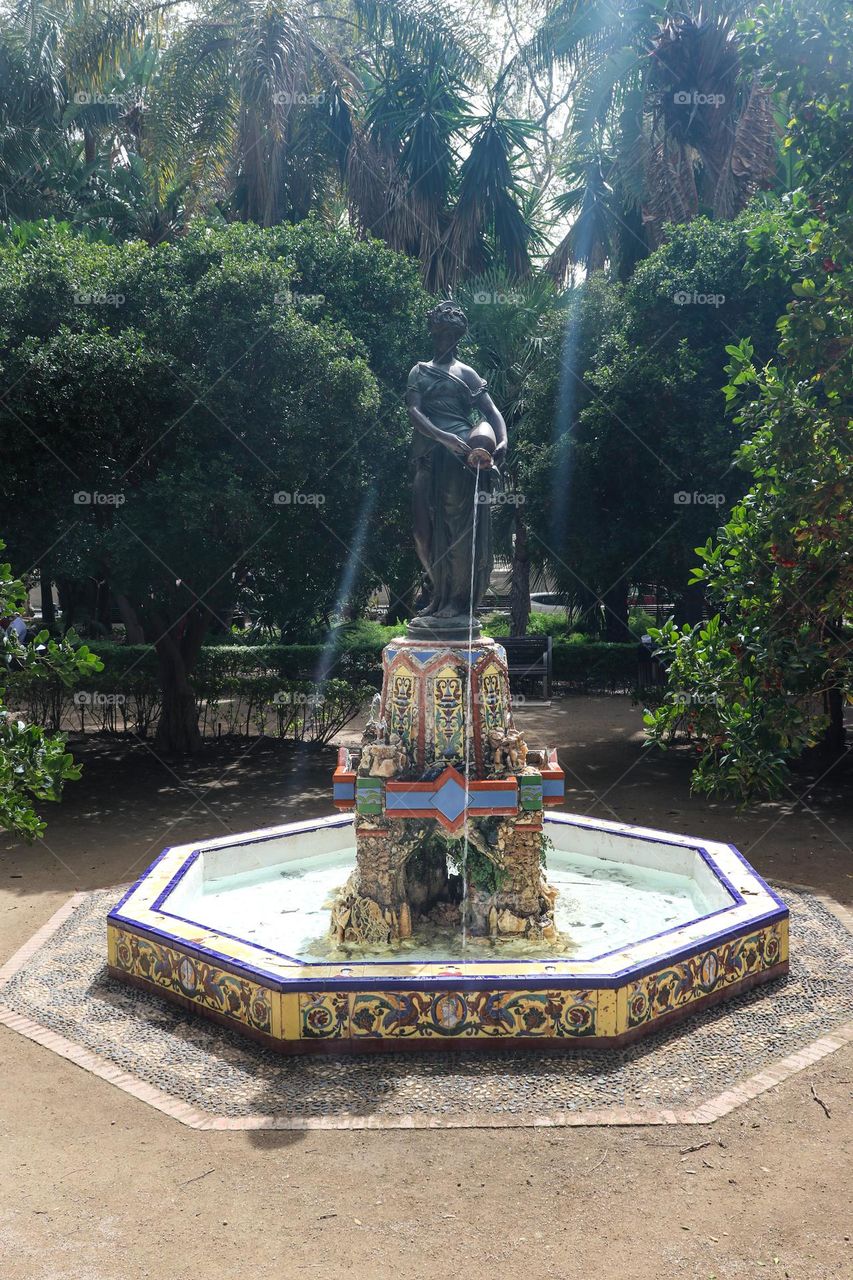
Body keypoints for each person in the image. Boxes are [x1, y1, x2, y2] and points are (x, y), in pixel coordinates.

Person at [405, 301, 507, 635]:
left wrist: (501, 442)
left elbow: (492, 414)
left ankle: (454, 601)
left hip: (462, 459)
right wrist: (442, 436)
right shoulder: (419, 371)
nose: (444, 340)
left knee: (457, 531)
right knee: (423, 532)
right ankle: (438, 593)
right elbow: (414, 413)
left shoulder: (467, 373)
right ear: (433, 334)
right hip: (429, 454)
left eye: (450, 335)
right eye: (439, 334)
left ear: (457, 338)